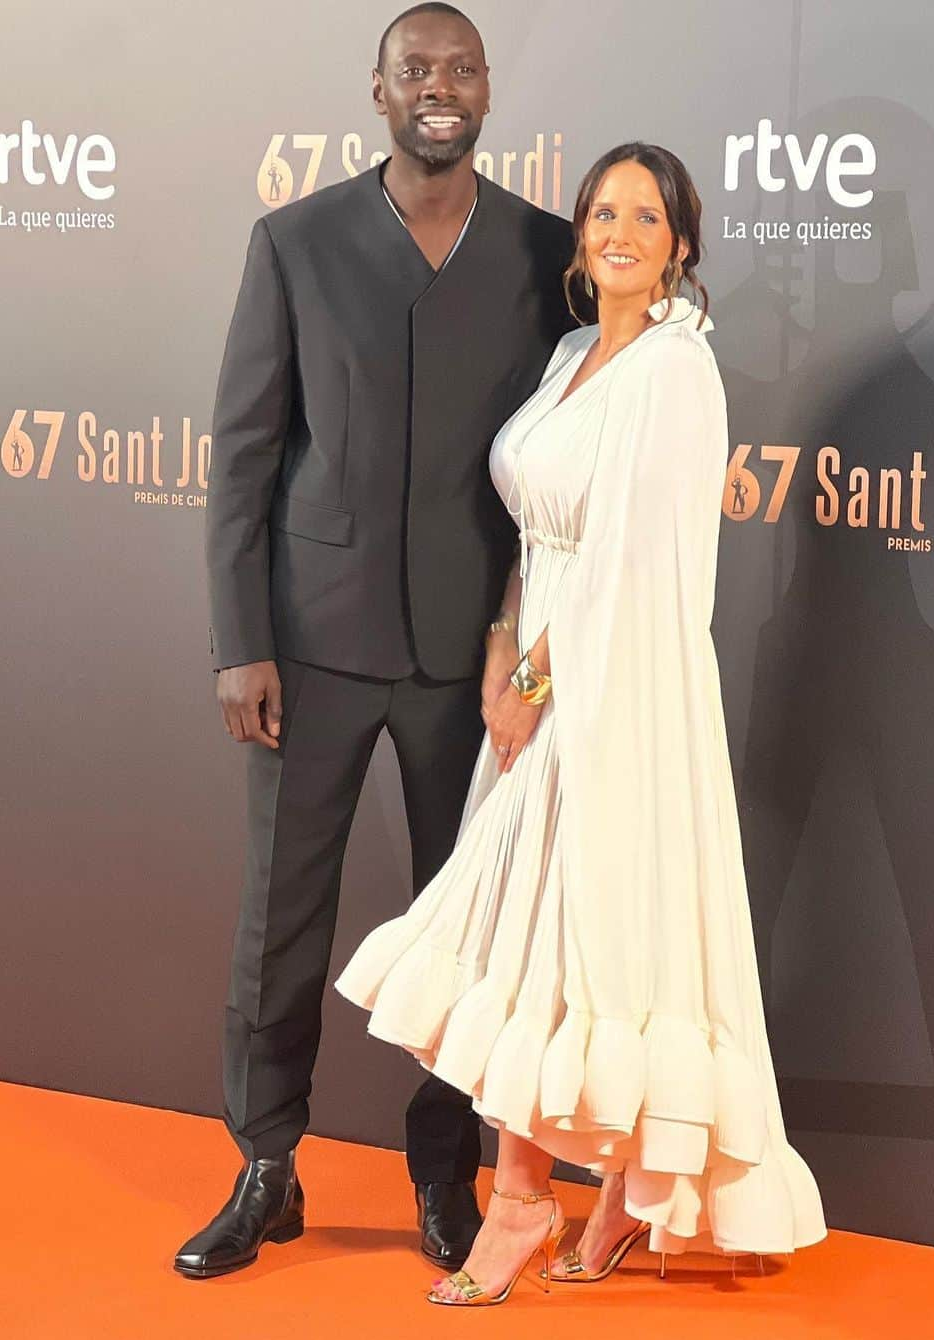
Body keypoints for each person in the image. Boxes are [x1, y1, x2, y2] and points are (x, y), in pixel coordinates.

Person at [336, 142, 828, 1307]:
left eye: (644, 216)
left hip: (614, 693)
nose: (617, 230)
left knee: (568, 935)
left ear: (681, 245)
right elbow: (538, 541)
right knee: (548, 942)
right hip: (542, 673)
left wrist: (533, 685)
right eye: (601, 210)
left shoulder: (674, 371)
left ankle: (518, 1201)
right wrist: (504, 650)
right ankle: (610, 1188)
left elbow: (630, 563)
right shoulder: (568, 356)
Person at [174, 2, 573, 1280]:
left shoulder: (548, 251)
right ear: (379, 89)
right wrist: (242, 640)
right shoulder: (293, 241)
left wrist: (535, 648)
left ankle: (443, 1171)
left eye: (460, 70)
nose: (438, 88)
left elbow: (574, 462)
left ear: (490, 91)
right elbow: (243, 455)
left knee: (465, 926)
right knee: (280, 920)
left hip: (476, 660)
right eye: (417, 70)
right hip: (315, 649)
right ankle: (266, 1164)